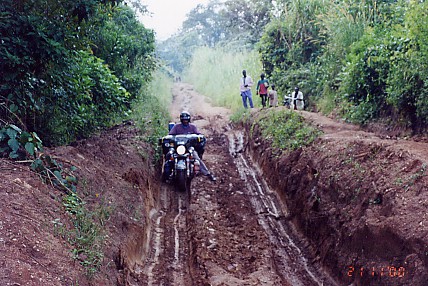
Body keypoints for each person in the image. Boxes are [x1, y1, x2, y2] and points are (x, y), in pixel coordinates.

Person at [168, 111, 216, 182]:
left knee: (197, 158)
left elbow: (198, 134)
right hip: (178, 148)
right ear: (181, 120)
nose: (185, 121)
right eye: (183, 120)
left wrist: (200, 137)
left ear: (189, 119)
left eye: (186, 120)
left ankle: (208, 174)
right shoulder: (176, 127)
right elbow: (170, 135)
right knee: (169, 155)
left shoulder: (192, 127)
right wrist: (167, 138)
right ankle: (167, 174)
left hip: (189, 148)